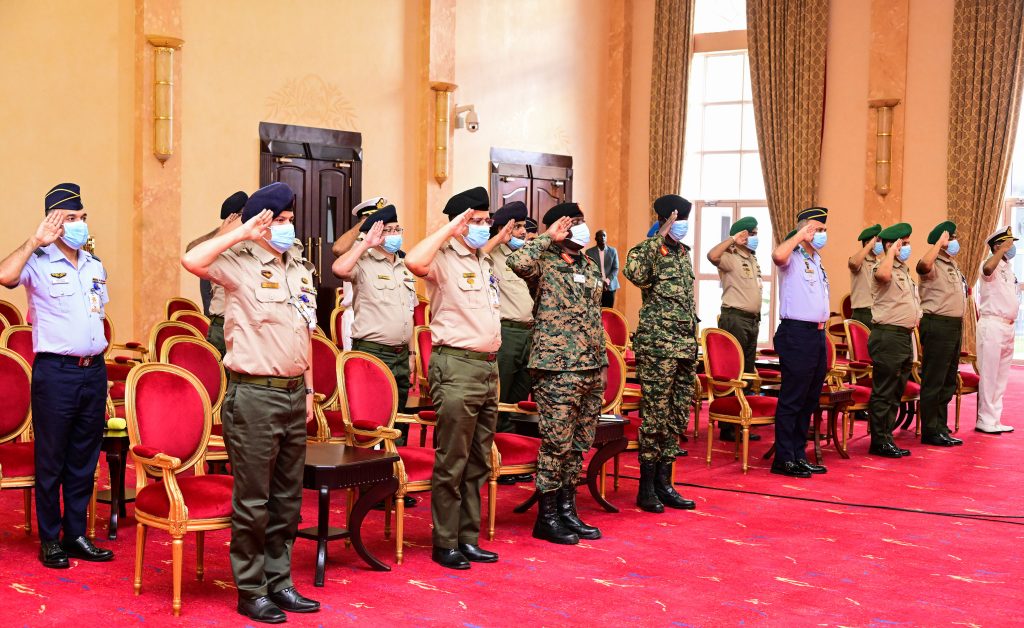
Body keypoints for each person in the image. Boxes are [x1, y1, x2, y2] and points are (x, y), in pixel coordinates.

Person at [182, 182, 320, 623]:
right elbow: (192, 259)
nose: (286, 227)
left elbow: (306, 333)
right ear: (258, 224)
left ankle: (280, 581)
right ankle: (251, 587)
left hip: (295, 392)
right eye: (277, 221)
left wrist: (312, 391)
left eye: (288, 220)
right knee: (254, 500)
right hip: (255, 394)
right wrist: (241, 232)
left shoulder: (299, 267)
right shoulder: (238, 264)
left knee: (287, 499)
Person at [0, 183, 114, 569]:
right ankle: (50, 538)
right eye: (71, 219)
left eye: (82, 217)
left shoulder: (95, 264)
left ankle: (75, 533)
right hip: (56, 373)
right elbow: (4, 275)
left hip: (93, 372)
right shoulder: (38, 261)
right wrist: (35, 240)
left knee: (84, 458)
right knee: (52, 458)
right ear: (54, 222)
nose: (80, 224)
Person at [404, 186, 501, 570]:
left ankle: (468, 537)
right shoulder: (443, 257)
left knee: (478, 459)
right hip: (457, 366)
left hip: (487, 367)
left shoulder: (483, 260)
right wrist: (448, 230)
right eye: (474, 221)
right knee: (453, 459)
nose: (482, 227)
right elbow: (413, 260)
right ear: (459, 223)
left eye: (484, 220)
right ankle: (445, 541)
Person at [508, 202, 607, 544]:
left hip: (592, 366)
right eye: (571, 223)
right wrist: (546, 239)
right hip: (556, 366)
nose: (579, 228)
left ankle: (568, 509)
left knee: (579, 444)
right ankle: (547, 516)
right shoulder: (541, 261)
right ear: (556, 229)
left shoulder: (588, 264)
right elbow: (516, 261)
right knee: (556, 443)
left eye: (581, 221)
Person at [623, 194, 698, 513]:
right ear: (666, 219)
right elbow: (634, 273)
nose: (682, 227)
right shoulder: (648, 251)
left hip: (683, 346)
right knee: (654, 416)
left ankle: (666, 483)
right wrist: (657, 236)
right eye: (678, 220)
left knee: (677, 415)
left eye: (684, 222)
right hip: (658, 347)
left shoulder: (683, 254)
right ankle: (646, 487)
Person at [331, 202, 418, 459]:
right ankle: (371, 480)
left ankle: (394, 475)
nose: (393, 234)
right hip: (373, 352)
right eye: (387, 230)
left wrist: (412, 353)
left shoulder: (405, 265)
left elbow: (410, 314)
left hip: (401, 354)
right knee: (373, 418)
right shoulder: (364, 261)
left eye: (396, 229)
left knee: (399, 418)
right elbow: (339, 268)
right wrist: (364, 244)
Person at [769, 207, 832, 478]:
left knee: (809, 399)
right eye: (817, 229)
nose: (821, 235)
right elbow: (777, 255)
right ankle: (783, 459)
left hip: (817, 335)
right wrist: (798, 235)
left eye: (823, 230)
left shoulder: (816, 260)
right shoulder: (792, 256)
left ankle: (798, 453)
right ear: (804, 230)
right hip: (796, 334)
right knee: (792, 398)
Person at [482, 202, 534, 451]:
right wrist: (498, 238)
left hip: (530, 333)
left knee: (520, 398)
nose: (524, 232)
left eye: (525, 226)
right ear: (505, 229)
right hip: (507, 333)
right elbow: (476, 256)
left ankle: (515, 450)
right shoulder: (492, 257)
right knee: (500, 398)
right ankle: (496, 453)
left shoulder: (527, 257)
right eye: (519, 227)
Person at [866, 222, 921, 458]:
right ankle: (879, 441)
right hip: (887, 336)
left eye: (907, 243)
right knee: (884, 390)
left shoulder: (903, 270)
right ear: (891, 245)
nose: (907, 247)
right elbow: (883, 275)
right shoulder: (882, 266)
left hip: (903, 337)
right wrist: (889, 251)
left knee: (895, 391)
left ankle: (886, 437)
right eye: (903, 243)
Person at [707, 215, 763, 443]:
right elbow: (712, 256)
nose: (755, 237)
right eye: (751, 233)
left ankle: (741, 419)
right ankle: (728, 425)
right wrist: (731, 239)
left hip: (752, 320)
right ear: (742, 235)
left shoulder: (752, 259)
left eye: (756, 233)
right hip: (735, 319)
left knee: (747, 371)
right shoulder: (730, 257)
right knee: (734, 371)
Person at [916, 221, 966, 446]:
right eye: (951, 238)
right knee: (934, 380)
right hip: (937, 324)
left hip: (954, 326)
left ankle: (941, 427)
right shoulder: (932, 261)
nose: (955, 241)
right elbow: (923, 266)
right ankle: (930, 430)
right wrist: (938, 244)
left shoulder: (952, 264)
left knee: (947, 380)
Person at [186, 191, 248, 355]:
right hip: (221, 324)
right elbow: (191, 252)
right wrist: (223, 231)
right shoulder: (218, 245)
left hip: (245, 326)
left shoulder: (247, 241)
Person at [975, 225, 1019, 434]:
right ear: (997, 246)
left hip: (1008, 327)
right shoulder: (988, 264)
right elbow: (986, 270)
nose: (1012, 249)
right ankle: (984, 419)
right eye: (1008, 245)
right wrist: (1000, 250)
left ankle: (994, 419)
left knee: (1001, 377)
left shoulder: (1008, 269)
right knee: (990, 374)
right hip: (992, 325)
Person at [332, 197, 391, 351]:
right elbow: (338, 249)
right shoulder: (356, 245)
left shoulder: (385, 244)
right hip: (357, 317)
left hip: (383, 317)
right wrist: (363, 224)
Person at [848, 224, 882, 328]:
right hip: (863, 314)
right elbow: (853, 263)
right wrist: (869, 245)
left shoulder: (880, 263)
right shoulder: (860, 261)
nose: (881, 244)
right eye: (878, 241)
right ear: (868, 243)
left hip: (878, 311)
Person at [586, 230, 620, 308]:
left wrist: (607, 280)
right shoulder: (589, 252)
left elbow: (615, 268)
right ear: (595, 238)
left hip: (610, 286)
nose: (603, 237)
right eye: (600, 236)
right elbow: (589, 269)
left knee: (608, 311)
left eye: (604, 236)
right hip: (596, 286)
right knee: (596, 310)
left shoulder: (613, 251)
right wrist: (600, 282)